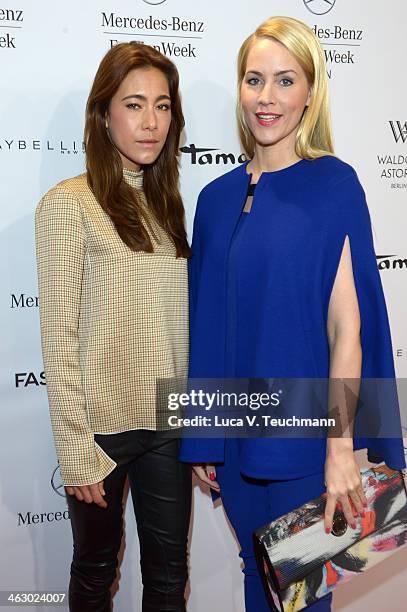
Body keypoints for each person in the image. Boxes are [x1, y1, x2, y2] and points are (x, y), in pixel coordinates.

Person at [179, 16, 406, 612]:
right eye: (255, 79)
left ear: (310, 90)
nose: (267, 97)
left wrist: (339, 448)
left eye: (286, 80)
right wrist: (204, 431)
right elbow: (207, 320)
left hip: (304, 443)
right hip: (234, 440)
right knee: (258, 581)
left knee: (302, 596)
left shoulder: (334, 186)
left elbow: (348, 327)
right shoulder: (214, 198)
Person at [36, 42, 192, 612]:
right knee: (96, 573)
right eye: (134, 104)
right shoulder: (67, 204)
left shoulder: (167, 203)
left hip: (169, 428)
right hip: (99, 431)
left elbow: (180, 333)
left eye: (163, 105)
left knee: (170, 578)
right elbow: (59, 336)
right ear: (105, 114)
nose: (151, 121)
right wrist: (76, 450)